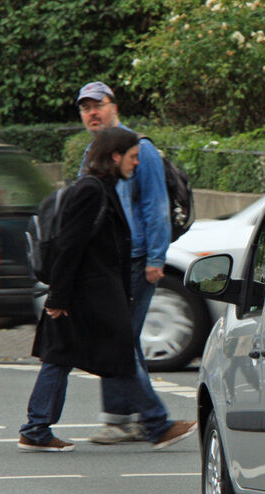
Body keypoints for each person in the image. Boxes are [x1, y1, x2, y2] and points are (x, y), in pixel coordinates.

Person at [19, 127, 190, 452]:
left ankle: (36, 429)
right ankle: (157, 424)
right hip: (89, 293)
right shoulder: (91, 190)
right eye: (132, 157)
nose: (137, 163)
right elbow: (70, 246)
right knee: (116, 353)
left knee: (62, 356)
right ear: (115, 156)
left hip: (89, 291)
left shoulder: (101, 188)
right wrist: (59, 296)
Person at [74, 81, 197, 446]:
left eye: (98, 105)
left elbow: (155, 207)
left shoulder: (139, 149)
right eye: (85, 108)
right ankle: (122, 418)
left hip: (137, 260)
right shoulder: (92, 151)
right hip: (110, 260)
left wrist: (156, 258)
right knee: (119, 337)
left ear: (114, 106)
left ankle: (142, 420)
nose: (92, 113)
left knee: (118, 338)